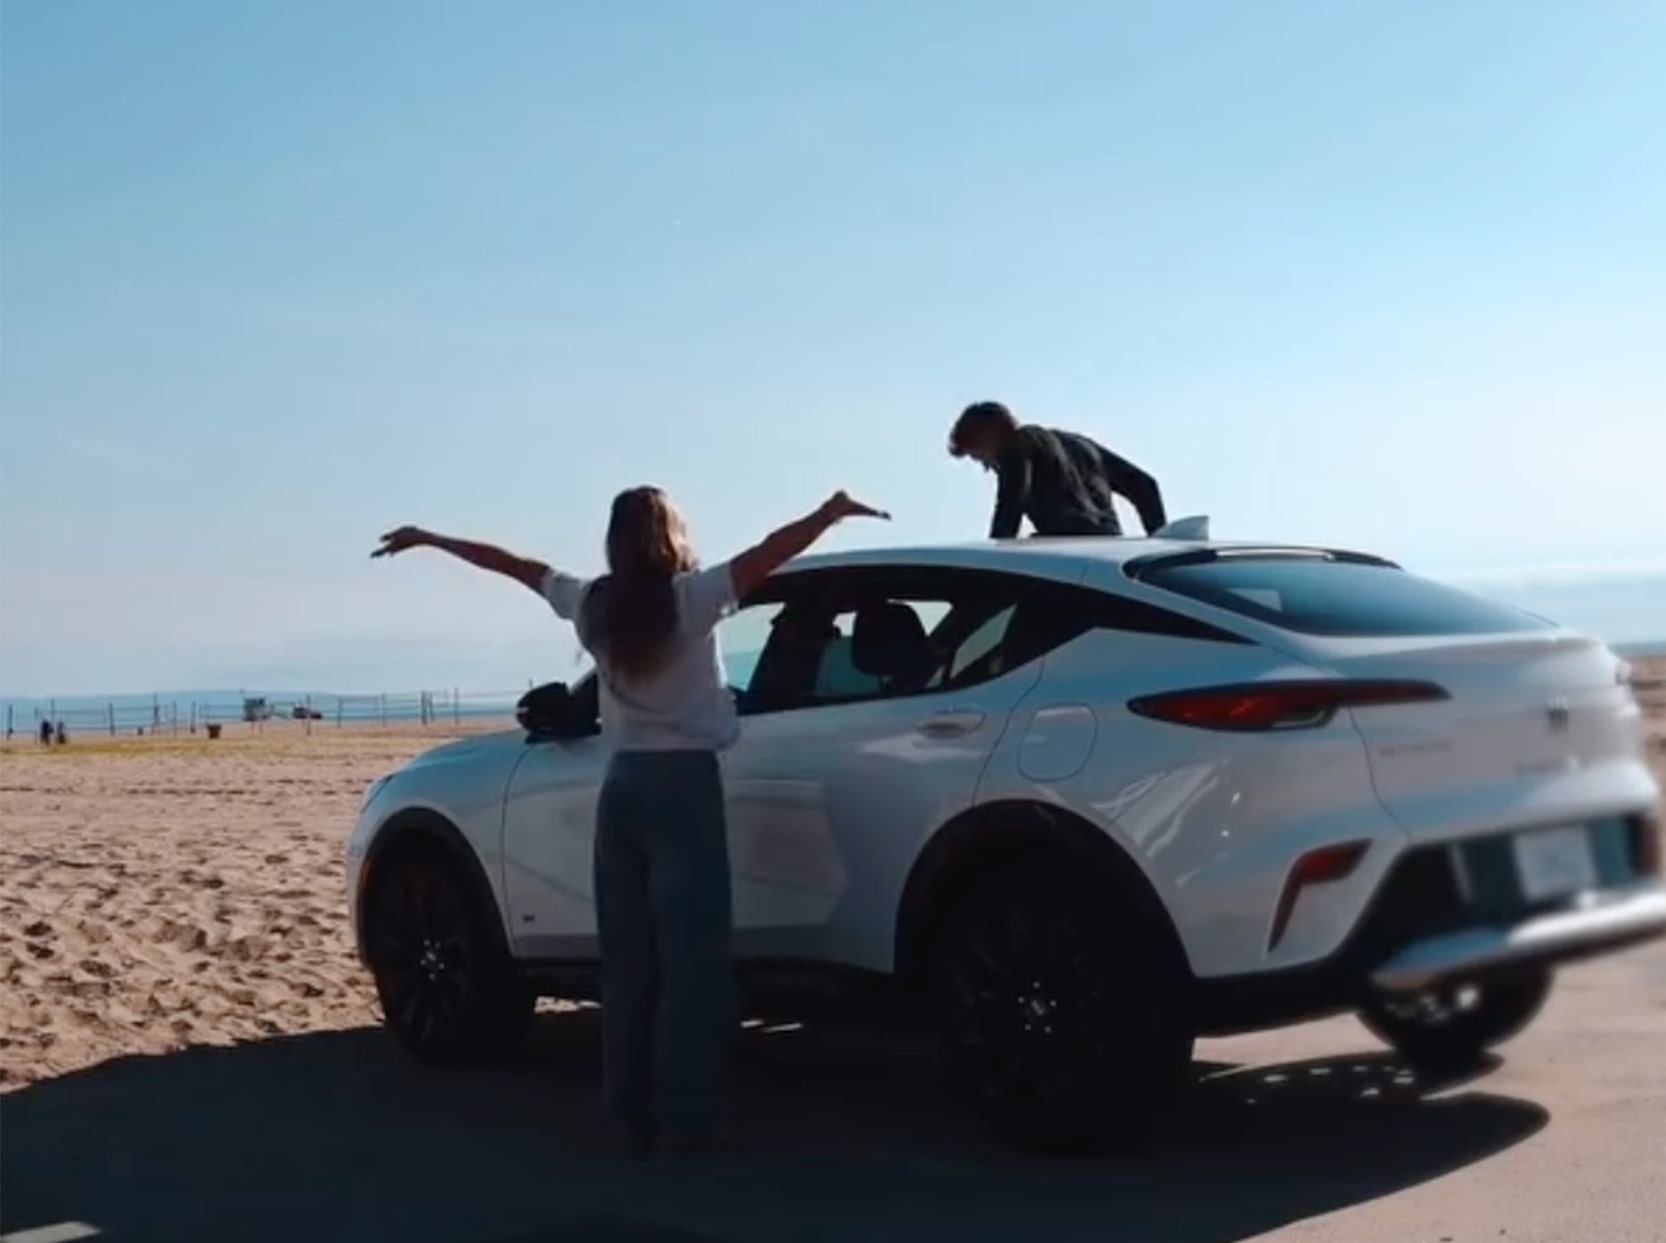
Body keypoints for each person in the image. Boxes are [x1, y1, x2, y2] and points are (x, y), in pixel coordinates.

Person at [372, 485, 888, 1156]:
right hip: (685, 789)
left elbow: (515, 565)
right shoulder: (692, 599)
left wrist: (433, 539)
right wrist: (826, 514)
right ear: (671, 535)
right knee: (693, 967)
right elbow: (769, 555)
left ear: (615, 541)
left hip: (623, 790)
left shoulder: (594, 605)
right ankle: (687, 1120)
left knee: (629, 965)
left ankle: (625, 1114)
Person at [947, 400, 1166, 540]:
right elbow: (1144, 485)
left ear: (991, 435)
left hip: (1068, 561)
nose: (987, 466)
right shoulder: (1080, 444)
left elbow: (1012, 502)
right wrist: (1160, 544)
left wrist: (993, 563)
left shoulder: (1018, 443)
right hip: (1106, 556)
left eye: (979, 455)